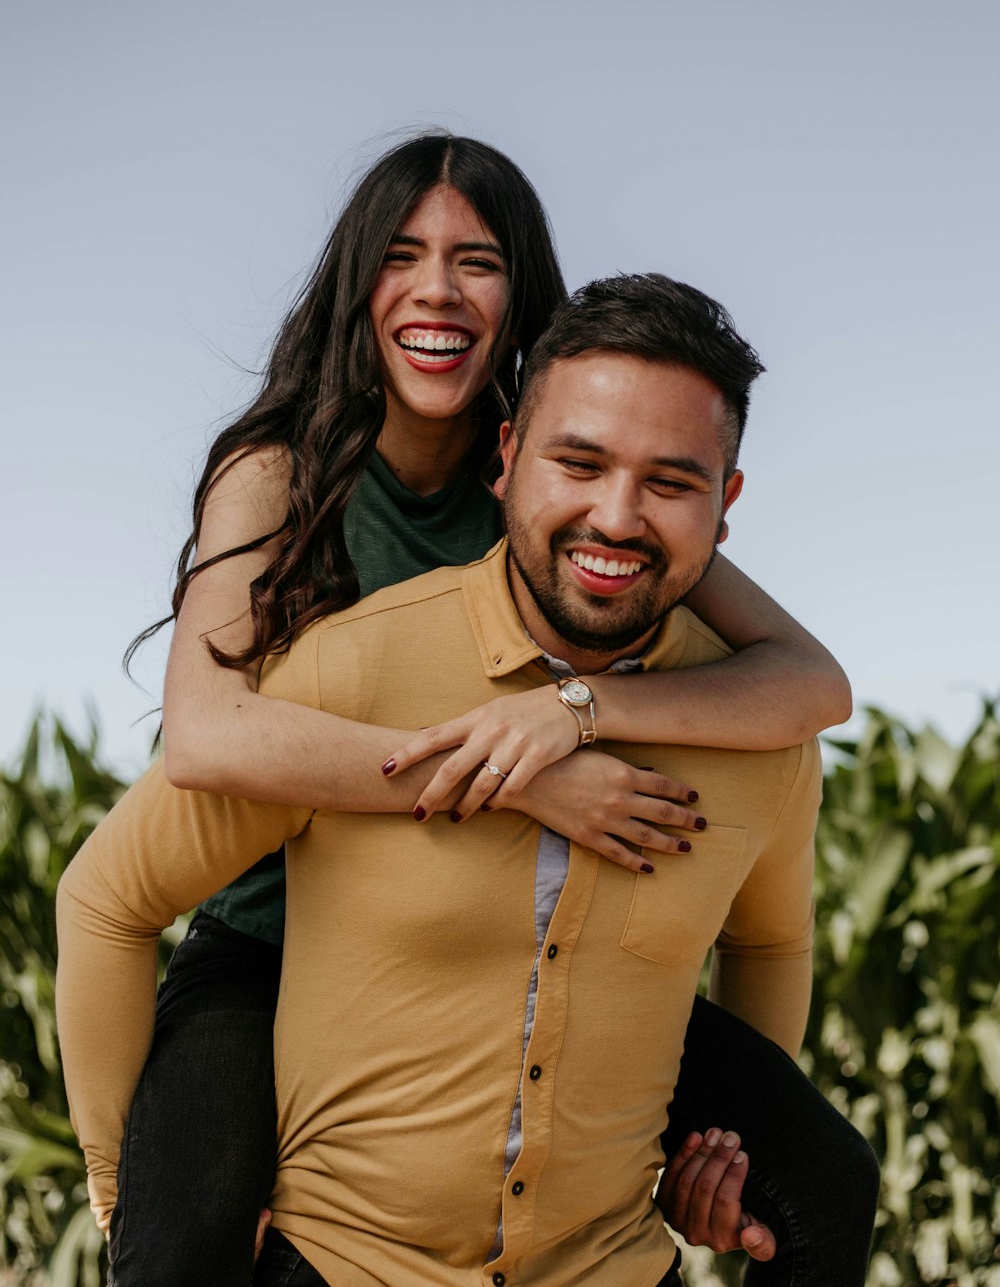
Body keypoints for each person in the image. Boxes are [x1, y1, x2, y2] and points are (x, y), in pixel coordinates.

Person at [59, 135, 875, 1283]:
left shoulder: (582, 489)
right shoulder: (281, 468)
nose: (438, 287)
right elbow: (203, 737)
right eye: (403, 254)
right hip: (271, 927)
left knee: (828, 1179)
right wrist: (518, 770)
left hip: (521, 953)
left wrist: (569, 715)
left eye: (476, 260)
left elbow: (807, 682)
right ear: (358, 283)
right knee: (182, 1244)